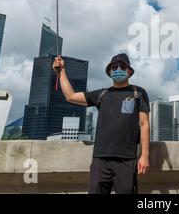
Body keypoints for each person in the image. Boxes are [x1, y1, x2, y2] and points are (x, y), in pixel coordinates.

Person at [53, 53, 150, 194]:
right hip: (100, 159)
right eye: (114, 67)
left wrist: (145, 155)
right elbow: (71, 96)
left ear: (129, 71)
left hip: (127, 159)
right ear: (110, 72)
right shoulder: (102, 94)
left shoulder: (138, 93)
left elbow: (144, 125)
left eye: (122, 66)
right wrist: (61, 71)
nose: (118, 69)